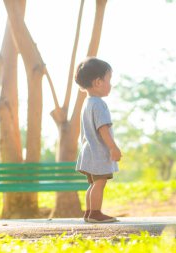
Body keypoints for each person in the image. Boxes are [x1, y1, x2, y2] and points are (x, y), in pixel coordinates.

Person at [74, 57, 122, 223]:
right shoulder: (99, 104)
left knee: (93, 184)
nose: (111, 84)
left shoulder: (87, 103)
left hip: (88, 152)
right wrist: (113, 148)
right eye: (109, 80)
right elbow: (103, 128)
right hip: (98, 153)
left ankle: (89, 212)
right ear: (98, 82)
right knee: (100, 183)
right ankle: (95, 212)